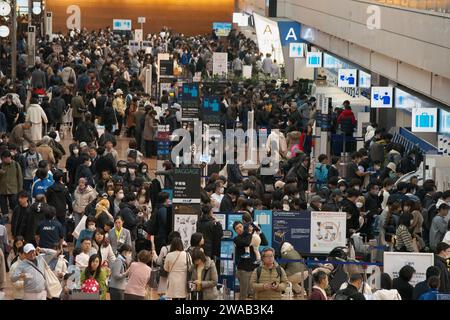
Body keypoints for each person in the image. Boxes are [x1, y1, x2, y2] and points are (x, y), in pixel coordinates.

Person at [233, 220, 257, 300]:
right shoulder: (236, 239)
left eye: (240, 226)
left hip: (253, 267)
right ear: (235, 231)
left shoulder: (250, 235)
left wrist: (259, 231)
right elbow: (246, 243)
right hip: (243, 270)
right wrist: (250, 233)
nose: (239, 229)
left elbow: (264, 242)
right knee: (244, 294)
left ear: (243, 226)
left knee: (254, 293)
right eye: (237, 228)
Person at [45, 170, 73, 234]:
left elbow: (47, 198)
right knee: (62, 225)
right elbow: (69, 200)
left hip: (51, 210)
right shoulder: (65, 189)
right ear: (61, 178)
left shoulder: (50, 189)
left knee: (51, 225)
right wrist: (70, 210)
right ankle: (63, 240)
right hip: (62, 210)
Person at [0, 150, 22, 219]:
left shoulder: (16, 164)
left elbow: (20, 178)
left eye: (4, 159)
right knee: (3, 206)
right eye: (2, 159)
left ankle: (15, 218)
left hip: (13, 189)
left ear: (9, 157)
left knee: (14, 205)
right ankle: (5, 218)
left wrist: (20, 190)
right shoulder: (1, 165)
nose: (3, 160)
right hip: (2, 189)